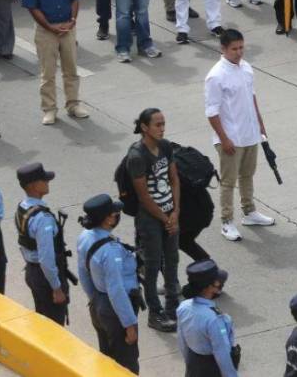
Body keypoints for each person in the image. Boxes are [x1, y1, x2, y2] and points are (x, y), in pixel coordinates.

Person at [205, 28, 276, 241]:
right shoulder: (216, 76)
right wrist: (224, 139)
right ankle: (226, 222)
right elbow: (211, 112)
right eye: (234, 48)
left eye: (241, 47)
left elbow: (251, 97)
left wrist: (260, 123)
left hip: (250, 133)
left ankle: (249, 211)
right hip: (230, 138)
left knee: (247, 174)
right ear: (223, 49)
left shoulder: (246, 68)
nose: (239, 52)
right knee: (228, 182)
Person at [126, 108, 182, 332]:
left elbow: (174, 179)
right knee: (151, 266)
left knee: (172, 262)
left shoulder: (166, 146)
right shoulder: (137, 156)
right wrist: (165, 218)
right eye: (157, 125)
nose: (162, 128)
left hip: (170, 214)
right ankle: (155, 313)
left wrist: (175, 212)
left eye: (163, 124)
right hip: (150, 220)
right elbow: (143, 196)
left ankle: (172, 307)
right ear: (144, 127)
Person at [21, 0, 88, 125]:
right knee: (47, 73)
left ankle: (73, 104)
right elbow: (33, 8)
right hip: (46, 30)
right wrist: (50, 27)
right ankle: (49, 109)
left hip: (67, 27)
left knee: (71, 69)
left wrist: (72, 20)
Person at [77, 193, 141, 373]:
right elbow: (116, 290)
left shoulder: (85, 236)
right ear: (107, 219)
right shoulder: (110, 251)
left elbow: (83, 272)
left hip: (99, 303)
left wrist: (95, 299)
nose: (117, 216)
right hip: (116, 310)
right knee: (126, 364)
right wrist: (129, 324)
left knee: (106, 357)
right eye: (114, 213)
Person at [14, 162, 71, 325]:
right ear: (33, 185)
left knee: (43, 321)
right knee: (54, 326)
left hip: (32, 271)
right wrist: (57, 288)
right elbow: (47, 259)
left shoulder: (23, 208)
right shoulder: (43, 219)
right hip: (45, 277)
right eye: (43, 180)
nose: (47, 182)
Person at [177, 259, 240, 376]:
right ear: (212, 287)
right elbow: (222, 354)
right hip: (212, 369)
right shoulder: (214, 319)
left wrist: (190, 365)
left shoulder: (183, 307)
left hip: (193, 364)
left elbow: (182, 341)